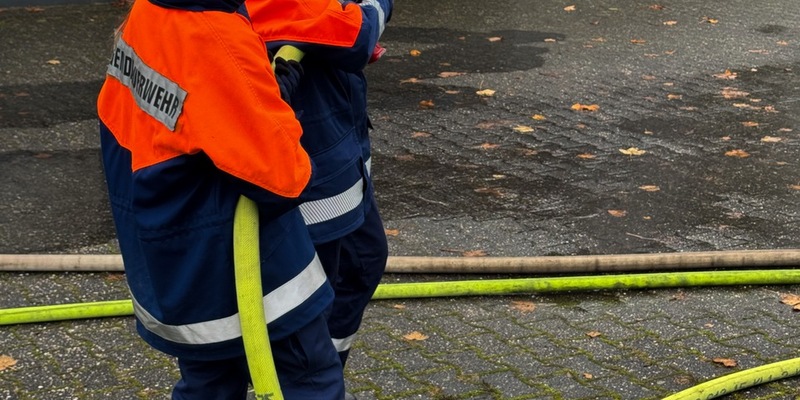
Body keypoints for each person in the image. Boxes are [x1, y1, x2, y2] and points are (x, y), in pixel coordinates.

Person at [96, 0, 345, 398]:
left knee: (209, 384)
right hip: (243, 272)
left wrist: (250, 97)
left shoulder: (148, 12)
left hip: (174, 259)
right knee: (308, 378)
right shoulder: (216, 34)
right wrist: (268, 108)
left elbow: (182, 114)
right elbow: (284, 178)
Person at [247, 0, 392, 374]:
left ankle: (322, 374)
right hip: (310, 188)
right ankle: (306, 379)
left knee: (363, 264)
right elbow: (358, 32)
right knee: (309, 307)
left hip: (341, 164)